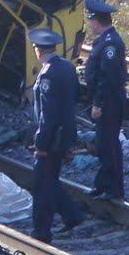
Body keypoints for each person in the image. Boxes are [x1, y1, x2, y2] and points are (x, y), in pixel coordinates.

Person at [27, 28, 85, 242]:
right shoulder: (67, 67)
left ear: (38, 50)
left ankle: (41, 232)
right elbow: (75, 98)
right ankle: (72, 215)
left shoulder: (47, 74)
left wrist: (40, 142)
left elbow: (47, 114)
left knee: (41, 184)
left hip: (52, 138)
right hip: (66, 133)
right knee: (50, 178)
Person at [84, 0, 126, 201]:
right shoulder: (105, 40)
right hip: (106, 101)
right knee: (104, 144)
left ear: (97, 20)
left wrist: (98, 103)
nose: (89, 24)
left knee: (108, 145)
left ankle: (113, 189)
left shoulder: (110, 45)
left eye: (90, 20)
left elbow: (107, 78)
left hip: (108, 102)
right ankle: (103, 185)